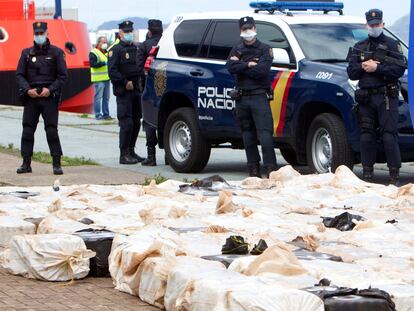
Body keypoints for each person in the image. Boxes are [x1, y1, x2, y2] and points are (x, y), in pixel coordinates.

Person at [347, 9, 406, 185]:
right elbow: (351, 71)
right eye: (371, 25)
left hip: (386, 97)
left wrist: (377, 68)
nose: (374, 27)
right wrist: (364, 67)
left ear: (383, 24)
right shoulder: (359, 47)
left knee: (389, 135)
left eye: (377, 24)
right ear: (367, 25)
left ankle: (394, 175)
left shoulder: (392, 45)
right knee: (366, 136)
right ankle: (367, 174)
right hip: (366, 98)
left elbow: (399, 69)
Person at [226, 16, 277, 178]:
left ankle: (271, 170)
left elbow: (261, 71)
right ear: (240, 30)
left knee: (265, 135)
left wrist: (240, 65)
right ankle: (253, 170)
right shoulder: (236, 49)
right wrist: (248, 64)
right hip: (242, 98)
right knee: (247, 135)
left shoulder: (265, 49)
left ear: (255, 29)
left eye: (250, 28)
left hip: (259, 97)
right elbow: (230, 67)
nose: (247, 32)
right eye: (244, 29)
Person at [16, 21, 68, 175]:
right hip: (31, 97)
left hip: (49, 97)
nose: (39, 36)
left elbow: (63, 76)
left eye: (41, 33)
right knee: (27, 130)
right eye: (37, 33)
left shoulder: (57, 53)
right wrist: (27, 90)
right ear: (34, 34)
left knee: (51, 131)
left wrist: (50, 89)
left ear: (47, 33)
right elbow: (19, 75)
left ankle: (56, 163)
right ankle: (26, 163)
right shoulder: (26, 53)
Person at [108, 20, 145, 165]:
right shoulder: (115, 50)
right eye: (126, 32)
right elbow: (112, 71)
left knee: (136, 122)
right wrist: (124, 82)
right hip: (123, 91)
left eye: (131, 31)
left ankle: (131, 151)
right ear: (120, 33)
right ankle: (123, 154)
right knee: (126, 123)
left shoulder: (136, 48)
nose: (129, 34)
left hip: (136, 90)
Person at [137, 19, 163, 166]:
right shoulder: (166, 43)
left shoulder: (144, 46)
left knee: (149, 121)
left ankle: (151, 156)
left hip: (150, 87)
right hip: (167, 87)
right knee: (166, 119)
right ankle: (168, 156)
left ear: (149, 31)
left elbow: (139, 68)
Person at [90, 36, 112, 120]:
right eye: (103, 42)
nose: (105, 44)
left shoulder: (107, 52)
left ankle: (106, 114)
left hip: (106, 78)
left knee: (106, 98)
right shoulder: (93, 53)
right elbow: (92, 64)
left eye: (106, 42)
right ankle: (98, 114)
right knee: (98, 98)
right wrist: (103, 63)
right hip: (98, 79)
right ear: (98, 43)